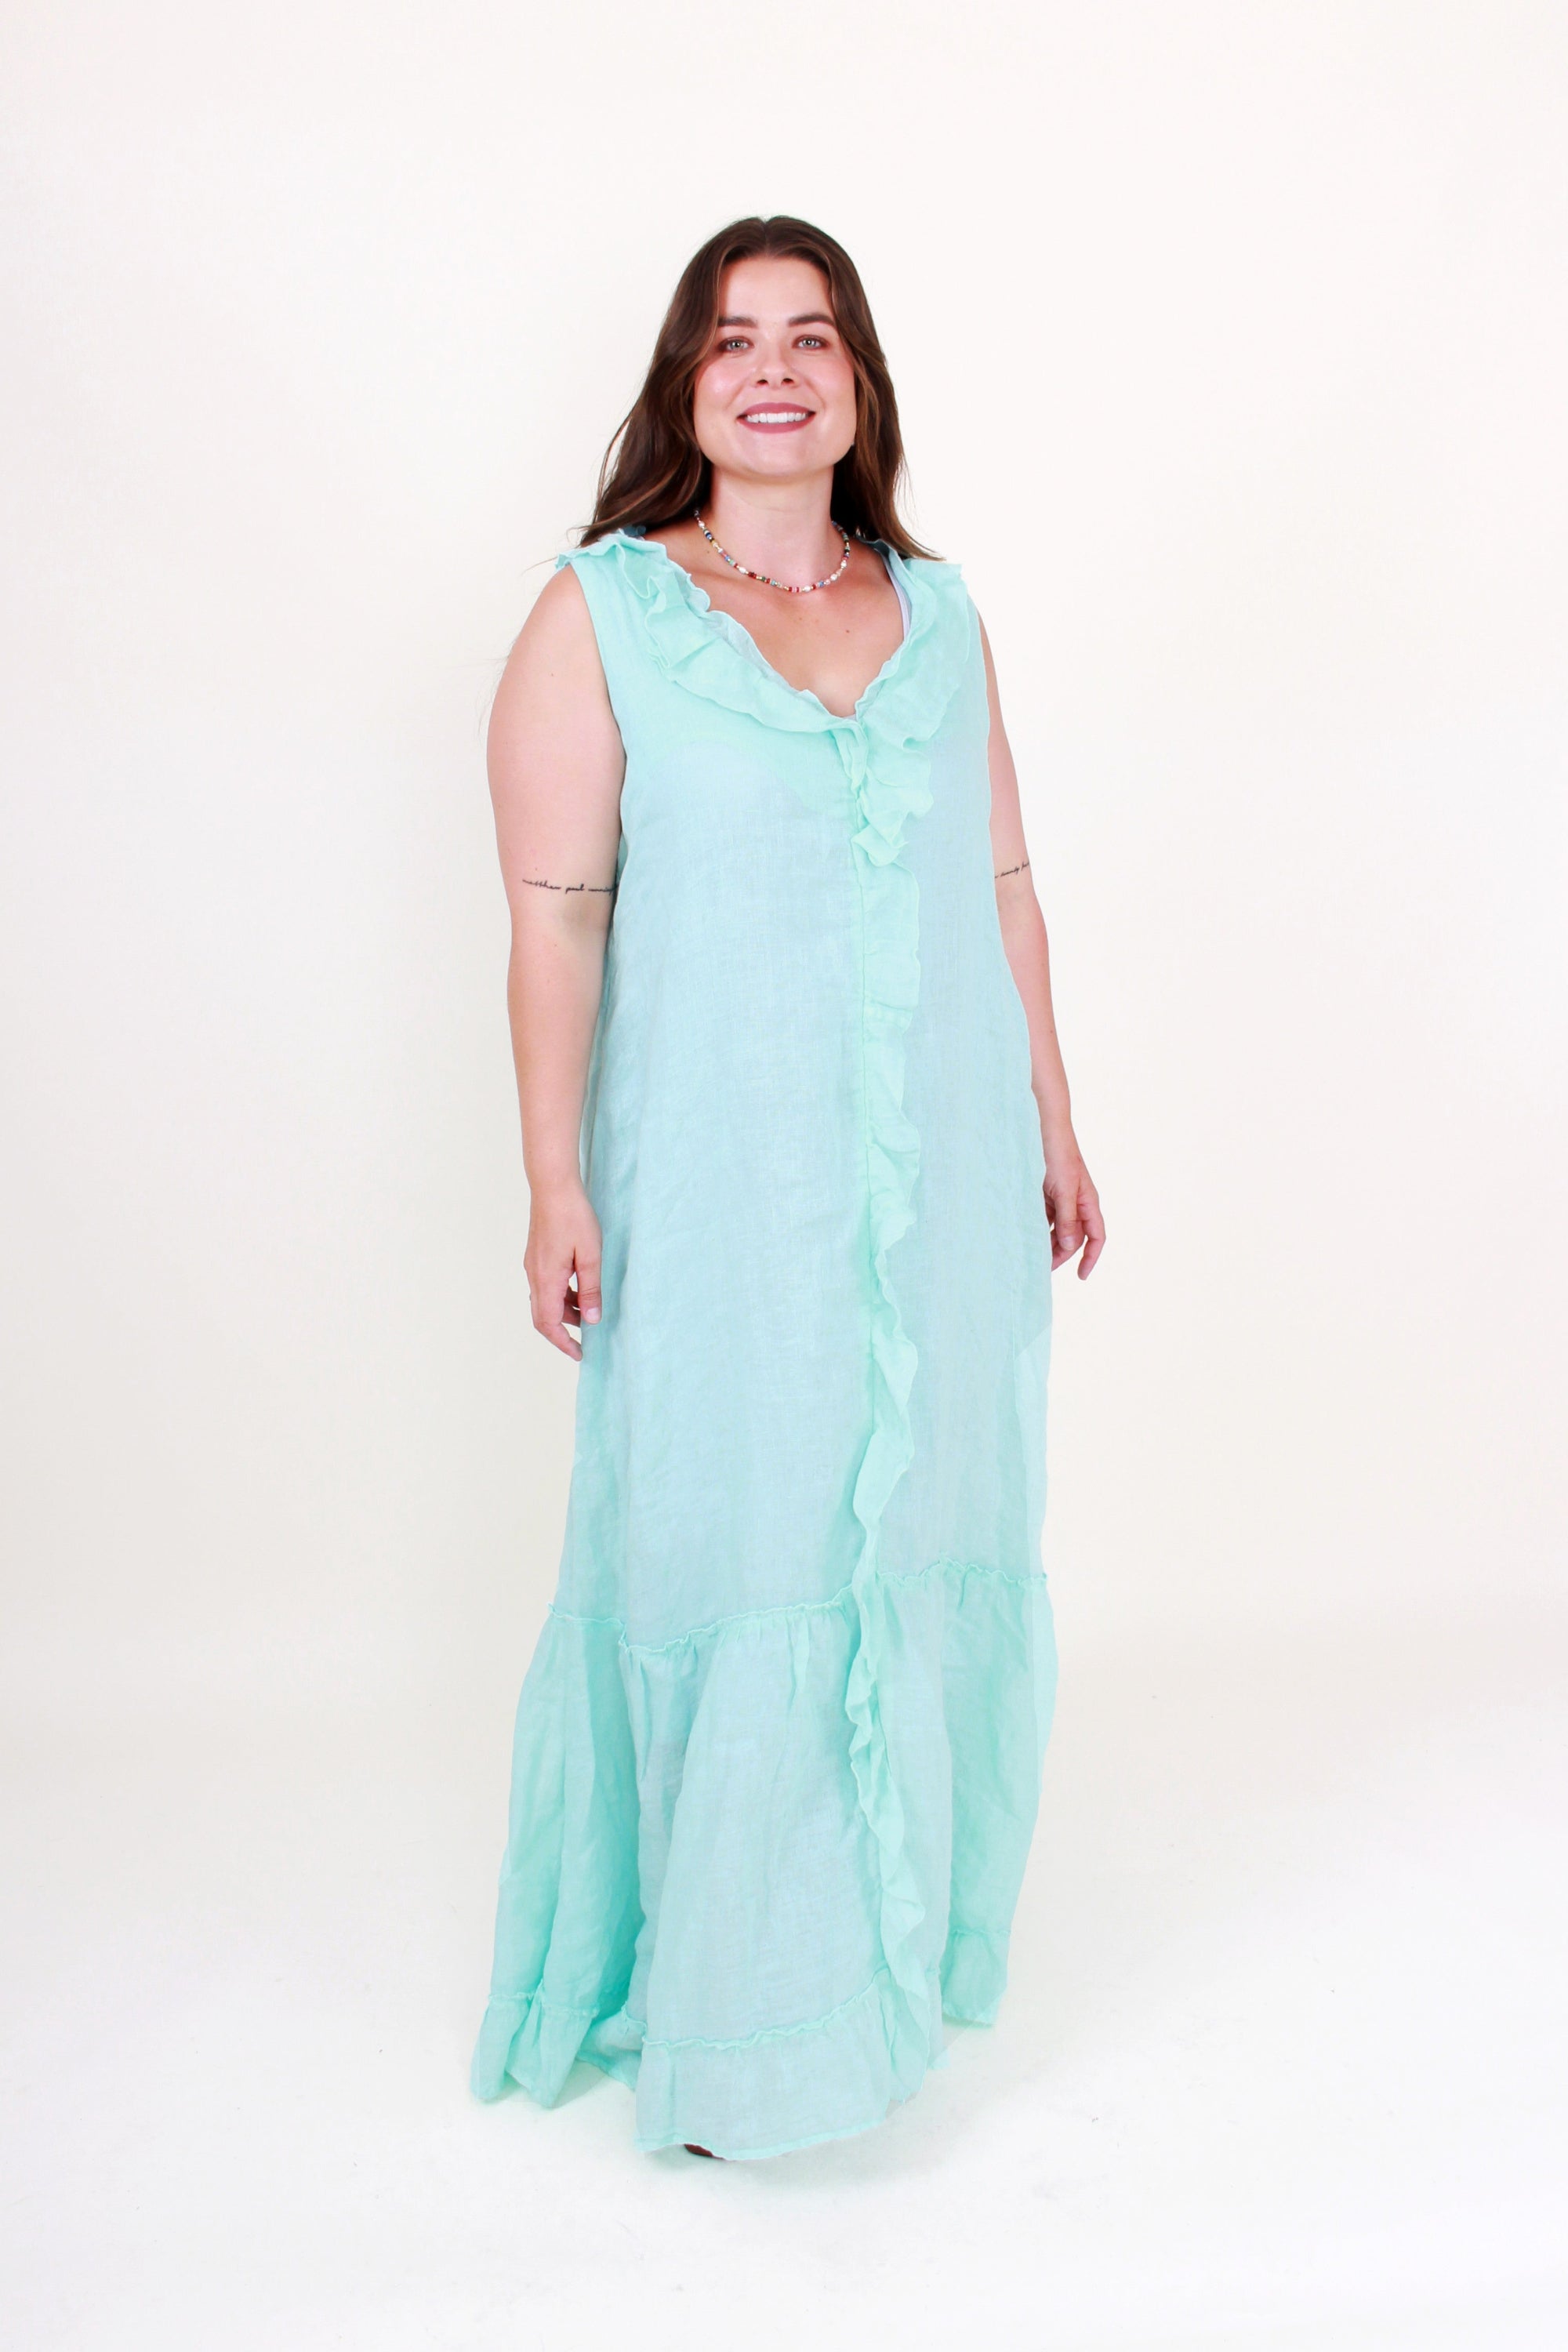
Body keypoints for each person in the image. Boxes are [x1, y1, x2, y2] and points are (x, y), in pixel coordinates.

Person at [470, 214, 1105, 2163]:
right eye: (733, 340)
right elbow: (557, 920)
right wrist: (553, 1180)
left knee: (916, 1534)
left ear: (858, 385)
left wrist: (1055, 1121)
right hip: (724, 1193)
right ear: (686, 387)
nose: (773, 369)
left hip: (943, 1197)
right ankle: (742, 2026)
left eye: (811, 338)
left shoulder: (943, 613)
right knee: (732, 1555)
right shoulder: (600, 614)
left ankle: (883, 1968)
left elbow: (998, 883)